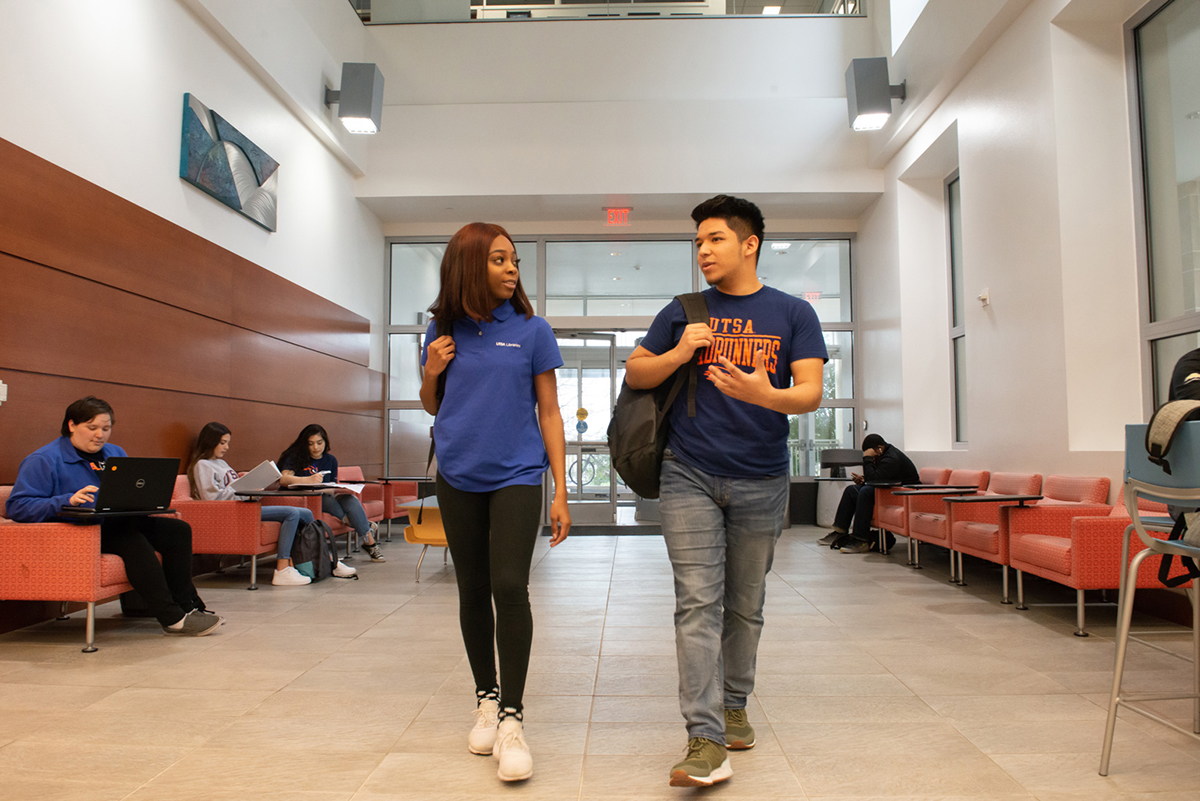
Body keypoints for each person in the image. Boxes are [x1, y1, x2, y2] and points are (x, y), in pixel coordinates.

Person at [624, 196, 827, 787]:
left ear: (749, 244)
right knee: (696, 604)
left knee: (745, 606)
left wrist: (764, 395)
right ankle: (704, 738)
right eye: (698, 243)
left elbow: (810, 391)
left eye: (714, 239)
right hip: (687, 470)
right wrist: (680, 350)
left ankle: (735, 702)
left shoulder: (792, 314)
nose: (704, 251)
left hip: (762, 476)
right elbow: (636, 372)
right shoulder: (684, 310)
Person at [420, 221, 570, 783]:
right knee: (471, 587)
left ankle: (512, 716)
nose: (512, 269)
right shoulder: (442, 328)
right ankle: (485, 697)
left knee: (510, 585)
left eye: (514, 261)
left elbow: (550, 412)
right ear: (469, 266)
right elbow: (433, 405)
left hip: (517, 473)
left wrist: (559, 489)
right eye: (500, 260)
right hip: (457, 474)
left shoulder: (533, 330)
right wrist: (432, 369)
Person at [5, 396, 222, 636]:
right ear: (71, 425)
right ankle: (172, 619)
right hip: (81, 530)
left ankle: (188, 606)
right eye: (92, 427)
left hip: (119, 520)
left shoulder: (114, 453)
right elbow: (18, 506)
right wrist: (65, 500)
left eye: (106, 428)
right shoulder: (43, 460)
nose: (100, 434)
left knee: (178, 530)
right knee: (132, 540)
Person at [187, 421, 356, 585]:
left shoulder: (221, 462)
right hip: (233, 511)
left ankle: (326, 559)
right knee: (292, 513)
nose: (226, 447)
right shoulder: (203, 465)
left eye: (227, 443)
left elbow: (232, 489)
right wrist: (245, 491)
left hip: (246, 506)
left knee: (306, 513)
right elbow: (212, 499)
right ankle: (282, 569)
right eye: (222, 443)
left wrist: (254, 485)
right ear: (210, 442)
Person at [277, 424, 385, 563]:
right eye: (311, 444)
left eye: (319, 443)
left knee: (349, 499)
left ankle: (370, 544)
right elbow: (284, 479)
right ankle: (361, 526)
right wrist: (308, 480)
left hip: (323, 494)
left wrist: (339, 489)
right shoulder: (295, 456)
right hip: (301, 498)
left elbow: (330, 486)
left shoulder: (330, 460)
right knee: (326, 500)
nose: (315, 447)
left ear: (325, 442)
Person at [818, 433, 920, 554]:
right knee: (851, 490)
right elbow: (880, 477)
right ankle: (839, 532)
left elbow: (875, 479)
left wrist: (867, 460)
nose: (870, 455)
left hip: (902, 495)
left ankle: (860, 539)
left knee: (866, 491)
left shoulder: (891, 458)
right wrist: (864, 479)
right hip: (889, 491)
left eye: (870, 452)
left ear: (879, 448)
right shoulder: (884, 455)